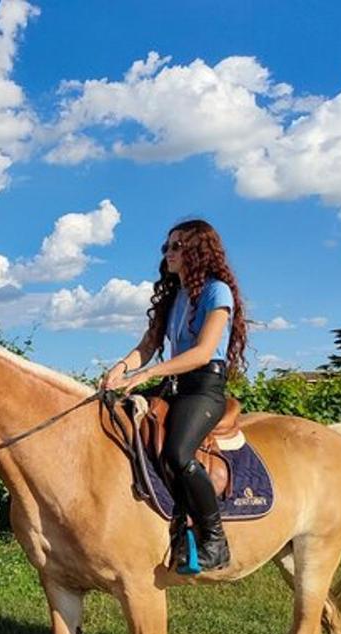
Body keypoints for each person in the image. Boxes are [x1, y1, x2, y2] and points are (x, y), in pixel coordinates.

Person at [101, 219, 248, 573]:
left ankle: (214, 538)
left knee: (179, 453)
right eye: (167, 247)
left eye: (178, 246)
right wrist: (120, 370)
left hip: (203, 388)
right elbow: (149, 345)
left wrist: (148, 373)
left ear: (198, 251)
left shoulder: (217, 292)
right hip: (175, 386)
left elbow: (202, 352)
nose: (169, 253)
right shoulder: (173, 297)